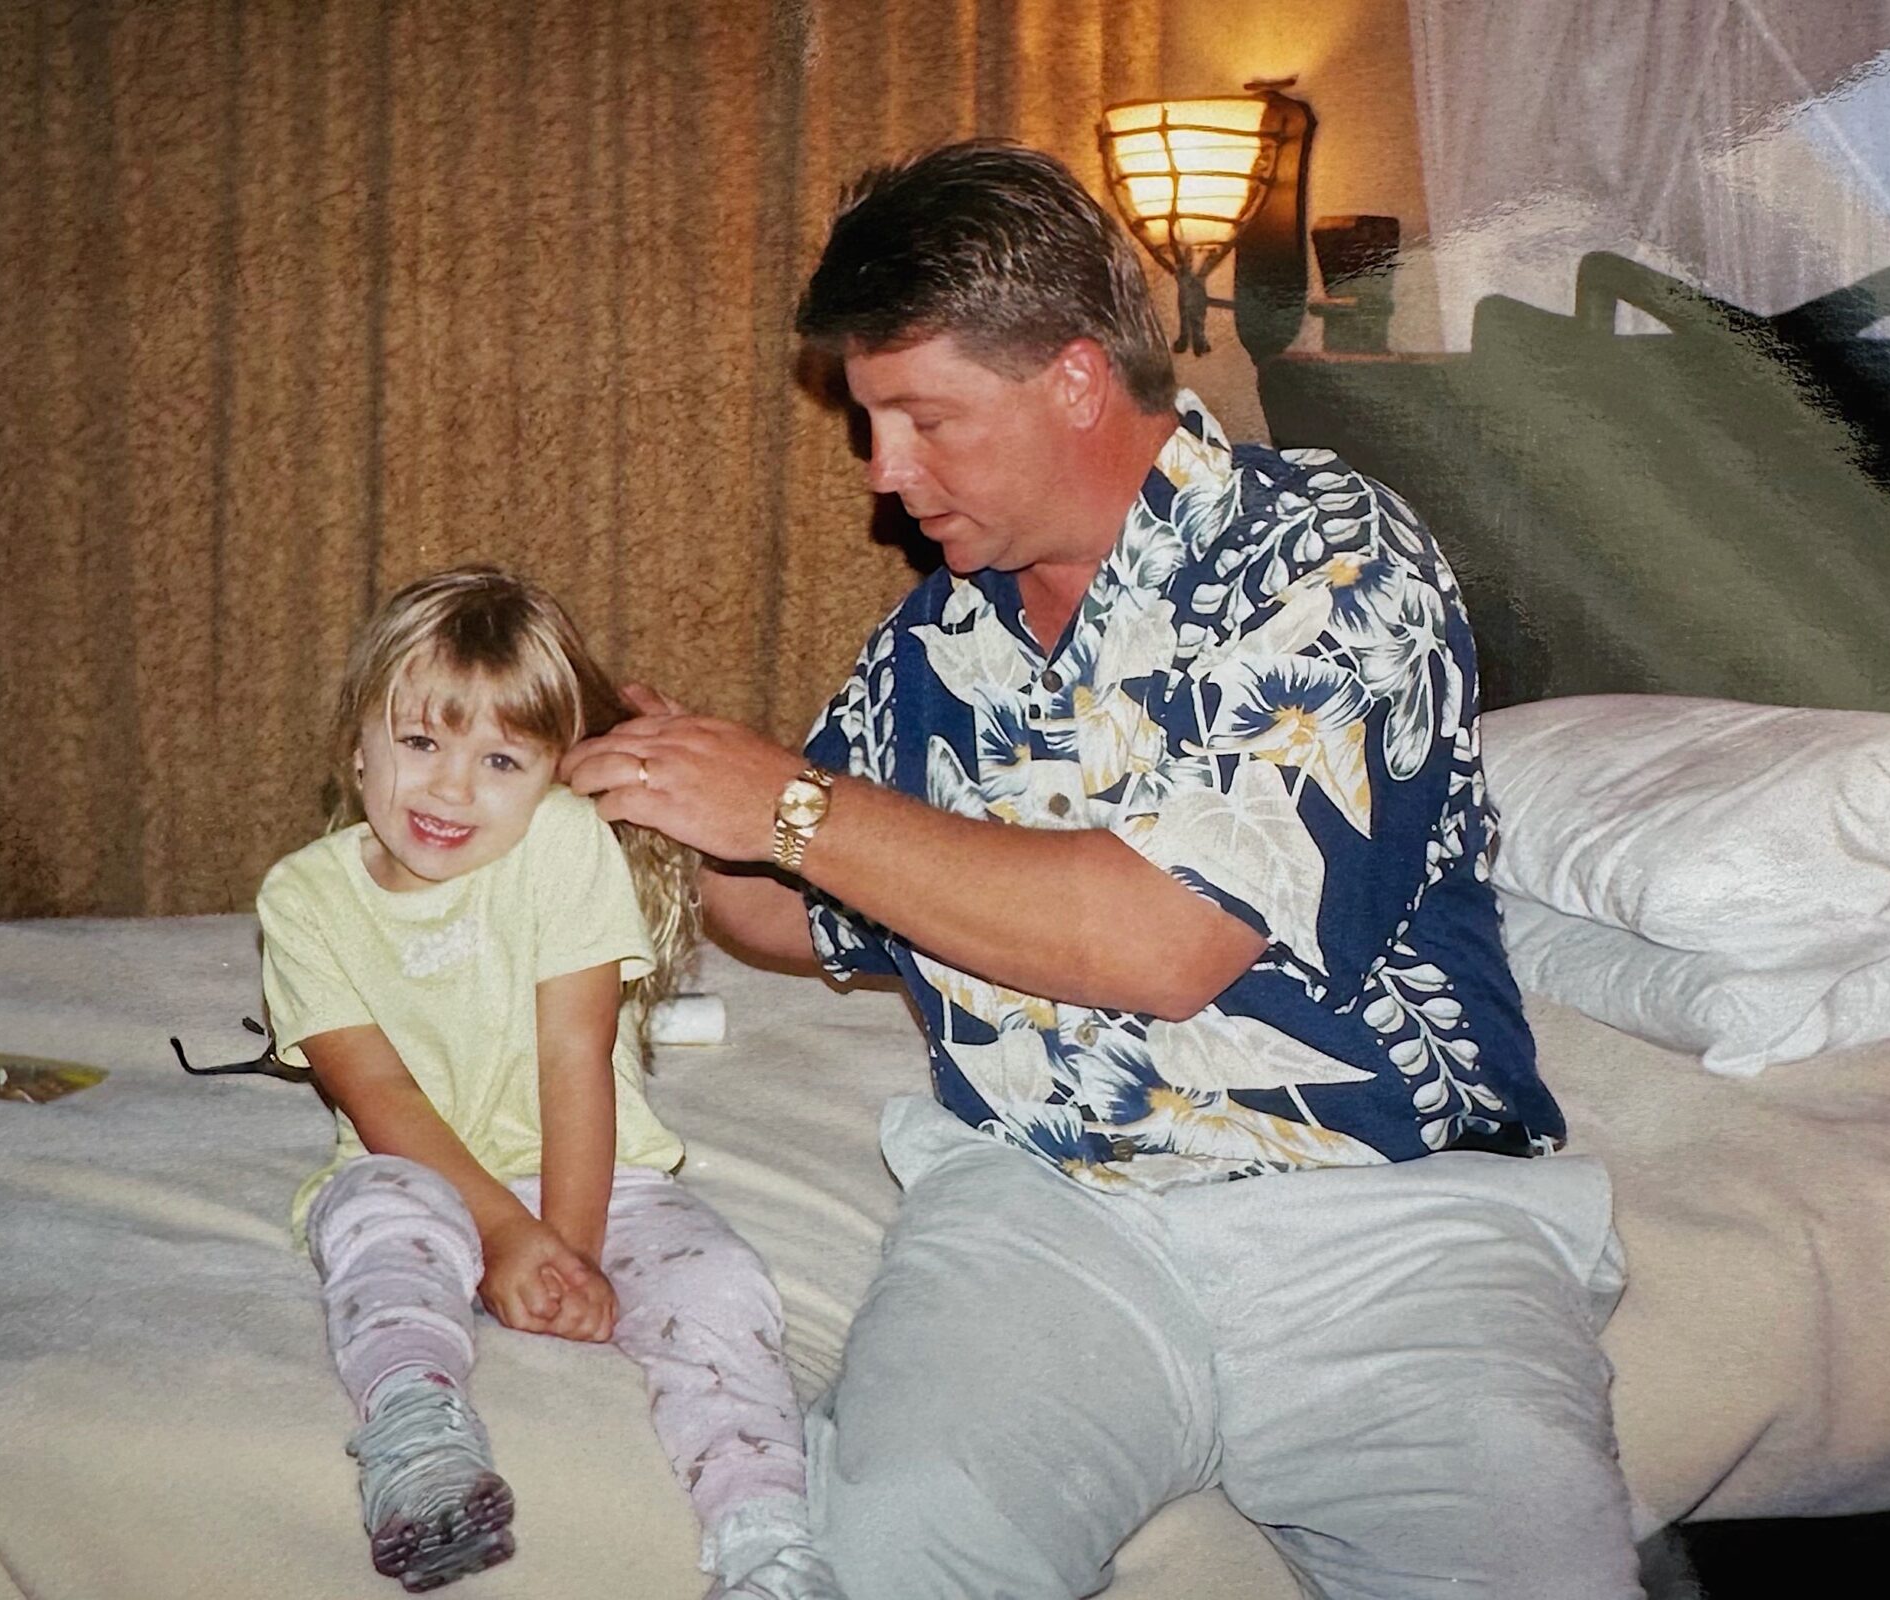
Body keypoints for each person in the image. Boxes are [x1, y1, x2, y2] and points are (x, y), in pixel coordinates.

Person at [563, 144, 1643, 1599]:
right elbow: (803, 908)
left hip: (1383, 1217)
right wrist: (662, 800)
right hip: (1039, 1205)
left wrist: (794, 804)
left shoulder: (1328, 559)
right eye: (874, 424)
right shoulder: (936, 644)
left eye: (924, 419)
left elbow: (1164, 940)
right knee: (885, 1558)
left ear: (1076, 379)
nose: (885, 475)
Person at [256, 566, 846, 1599]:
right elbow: (378, 1097)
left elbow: (576, 1059)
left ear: (550, 776)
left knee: (718, 1285)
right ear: (358, 747)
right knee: (377, 1227)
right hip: (419, 1166)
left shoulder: (566, 847)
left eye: (498, 759)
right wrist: (503, 1235)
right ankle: (418, 1443)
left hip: (598, 1179)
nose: (449, 789)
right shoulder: (303, 898)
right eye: (420, 743)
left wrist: (566, 1251)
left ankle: (764, 1539)